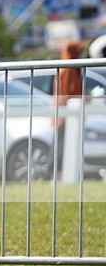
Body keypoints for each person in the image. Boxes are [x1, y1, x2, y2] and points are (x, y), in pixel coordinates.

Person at [51, 41, 86, 173]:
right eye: (78, 53)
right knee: (60, 146)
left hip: (68, 113)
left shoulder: (71, 68)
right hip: (65, 115)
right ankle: (55, 174)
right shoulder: (68, 69)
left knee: (66, 144)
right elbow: (67, 93)